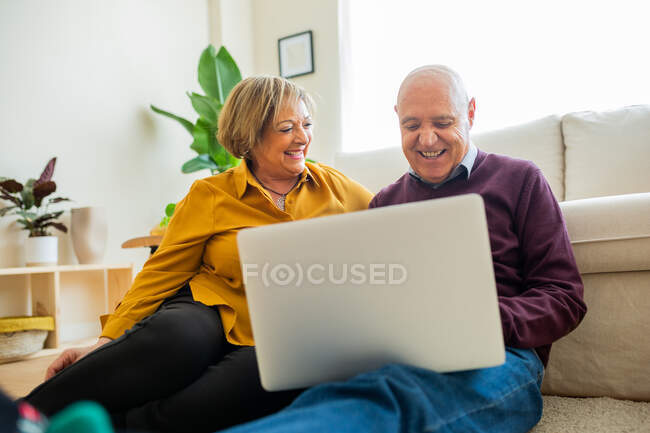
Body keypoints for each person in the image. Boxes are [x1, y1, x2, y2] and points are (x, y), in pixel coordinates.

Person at [212, 65, 588, 433]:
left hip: (503, 357)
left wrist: (485, 321)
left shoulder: (521, 179)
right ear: (397, 120)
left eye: (442, 123)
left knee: (398, 402)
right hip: (399, 360)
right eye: (412, 126)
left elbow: (565, 297)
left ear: (470, 113)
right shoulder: (385, 203)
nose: (427, 139)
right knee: (331, 396)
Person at [23, 75, 373, 433]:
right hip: (211, 306)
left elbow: (392, 222)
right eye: (287, 128)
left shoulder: (338, 190)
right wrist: (104, 343)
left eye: (307, 124)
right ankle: (25, 414)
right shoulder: (210, 194)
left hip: (283, 330)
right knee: (178, 338)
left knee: (249, 382)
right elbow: (161, 273)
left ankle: (112, 427)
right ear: (250, 136)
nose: (303, 137)